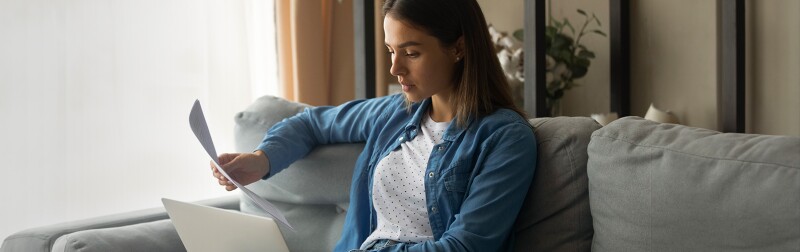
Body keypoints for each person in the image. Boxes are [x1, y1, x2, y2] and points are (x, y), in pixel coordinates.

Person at [211, 0, 537, 251]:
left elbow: (466, 246)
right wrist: (260, 160)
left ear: (459, 48)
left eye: (411, 53)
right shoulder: (393, 113)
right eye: (391, 51)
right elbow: (311, 124)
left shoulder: (505, 139)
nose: (395, 68)